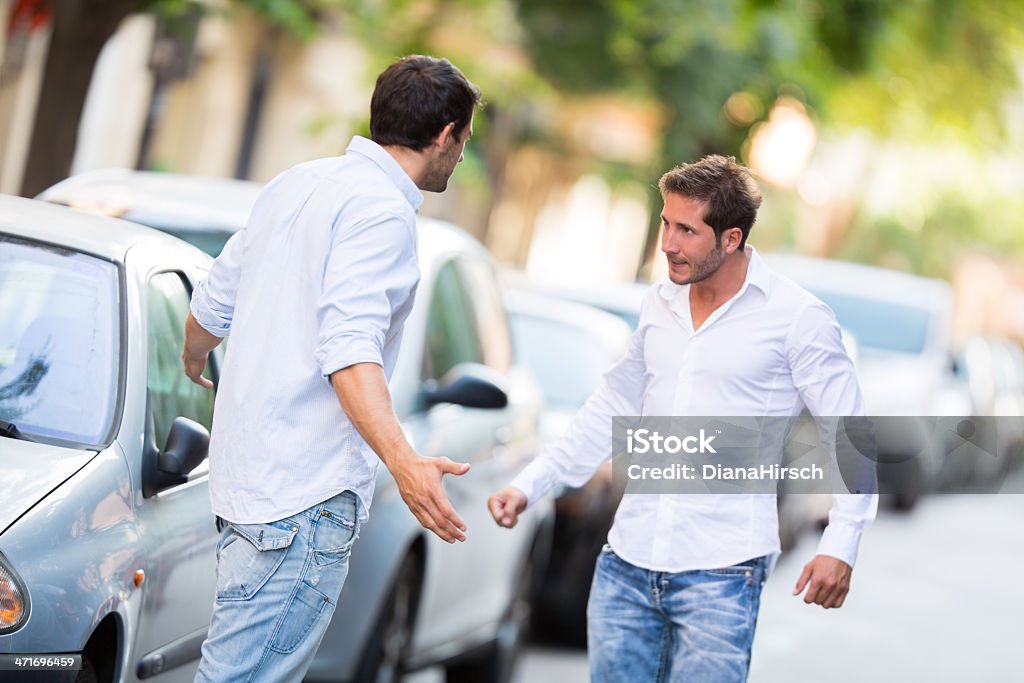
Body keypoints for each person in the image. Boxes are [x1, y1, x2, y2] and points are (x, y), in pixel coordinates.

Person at [488, 155, 878, 682]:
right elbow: (611, 404)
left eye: (686, 230)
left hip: (723, 571)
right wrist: (533, 483)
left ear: (732, 238)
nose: (667, 243)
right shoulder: (660, 304)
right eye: (665, 223)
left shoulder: (797, 319)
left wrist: (841, 543)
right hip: (627, 561)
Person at [182, 55, 481, 682]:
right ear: (446, 134)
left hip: (247, 490)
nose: (462, 154)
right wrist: (406, 465)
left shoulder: (298, 182)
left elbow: (212, 303)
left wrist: (193, 355)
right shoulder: (384, 215)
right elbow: (348, 350)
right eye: (466, 139)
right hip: (299, 503)